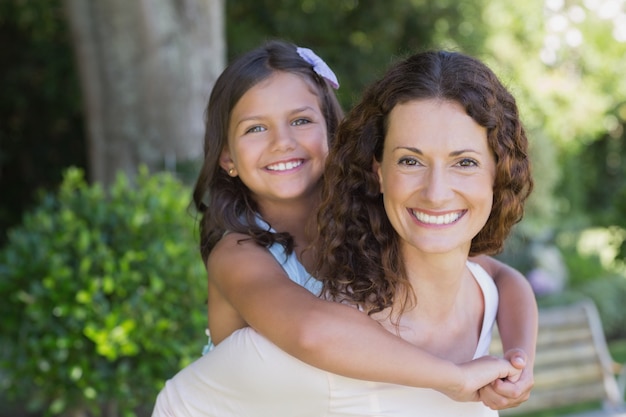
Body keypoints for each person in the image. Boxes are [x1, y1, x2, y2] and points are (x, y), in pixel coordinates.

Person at [152, 43, 535, 416]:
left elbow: (499, 276)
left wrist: (520, 360)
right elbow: (311, 330)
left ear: (336, 134)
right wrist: (450, 378)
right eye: (255, 129)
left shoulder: (366, 222)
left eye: (300, 121)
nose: (283, 142)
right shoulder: (238, 251)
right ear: (227, 158)